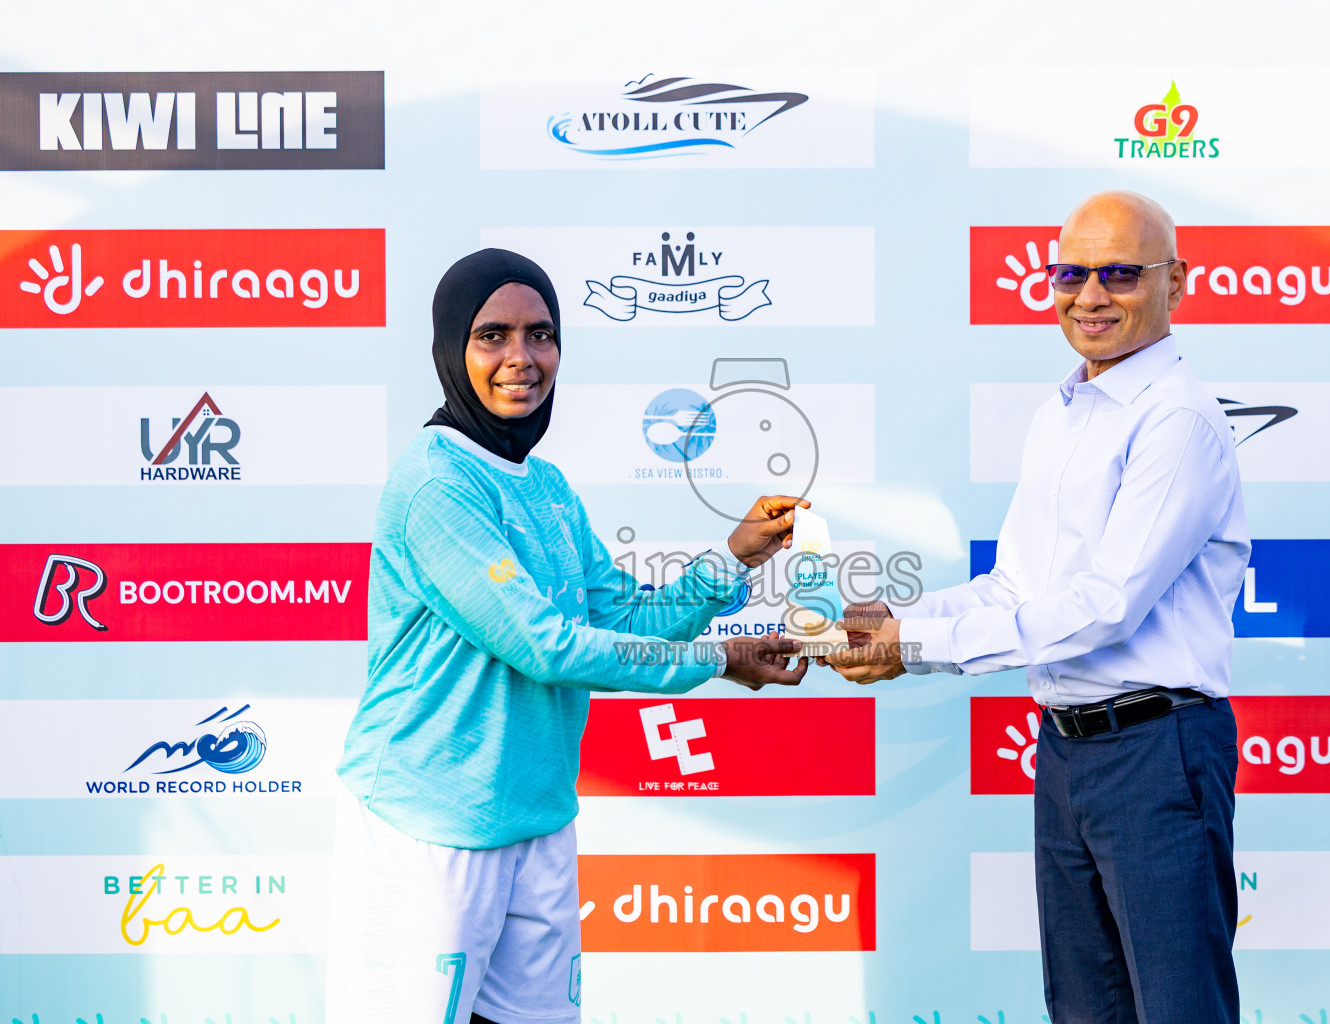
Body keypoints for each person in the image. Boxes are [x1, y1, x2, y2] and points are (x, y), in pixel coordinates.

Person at [326, 249, 809, 1024]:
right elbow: (548, 646)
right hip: (428, 827)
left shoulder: (546, 487)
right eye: (493, 336)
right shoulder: (434, 484)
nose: (521, 358)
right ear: (452, 349)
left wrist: (732, 559)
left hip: (540, 821)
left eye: (540, 334)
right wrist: (718, 659)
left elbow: (620, 622)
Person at [825, 192, 1250, 1023]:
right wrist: (897, 622)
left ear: (1177, 283)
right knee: (1084, 1011)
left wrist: (912, 644)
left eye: (1121, 273)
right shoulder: (1063, 414)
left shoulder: (1178, 422)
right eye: (1071, 272)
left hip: (1157, 753)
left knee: (1178, 1010)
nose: (1091, 295)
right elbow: (1018, 587)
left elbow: (1104, 608)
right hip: (1066, 752)